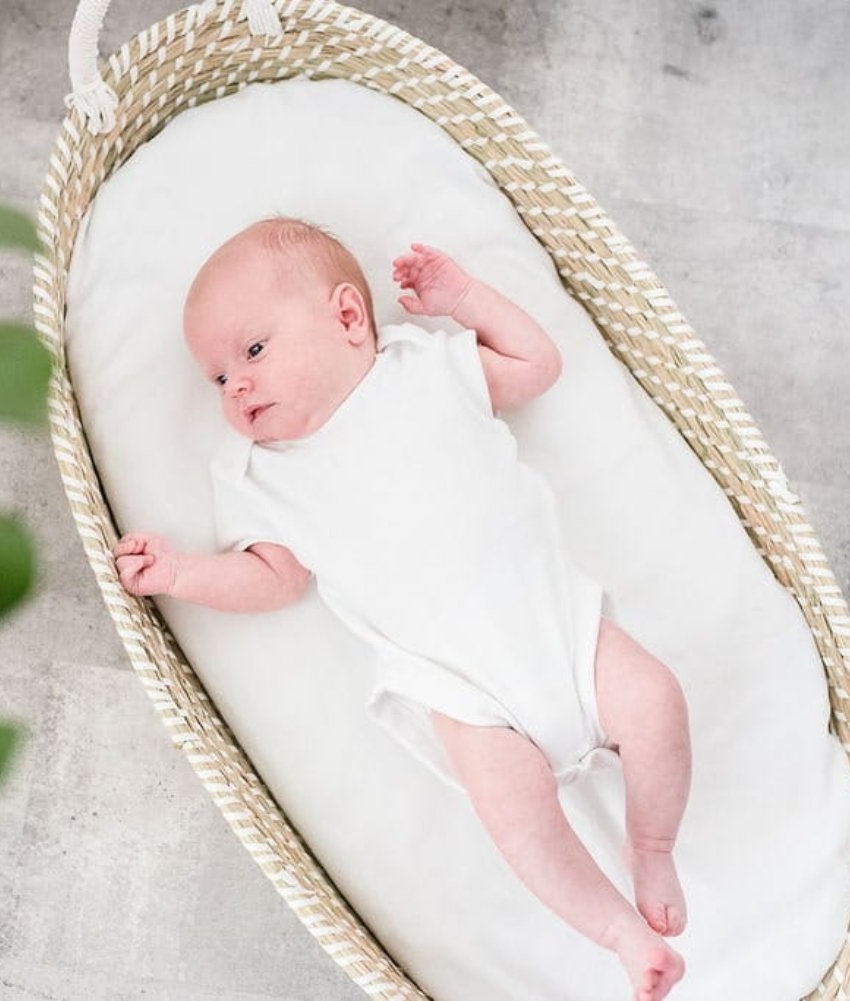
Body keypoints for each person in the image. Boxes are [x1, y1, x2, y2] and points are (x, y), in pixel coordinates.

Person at [113, 215, 692, 1001]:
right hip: (459, 688)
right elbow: (273, 578)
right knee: (517, 816)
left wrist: (467, 299)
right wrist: (183, 571)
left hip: (558, 627)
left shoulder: (425, 368)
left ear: (349, 317)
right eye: (217, 377)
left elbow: (537, 363)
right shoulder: (261, 474)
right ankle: (620, 933)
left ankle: (651, 846)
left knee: (655, 702)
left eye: (252, 351)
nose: (236, 385)